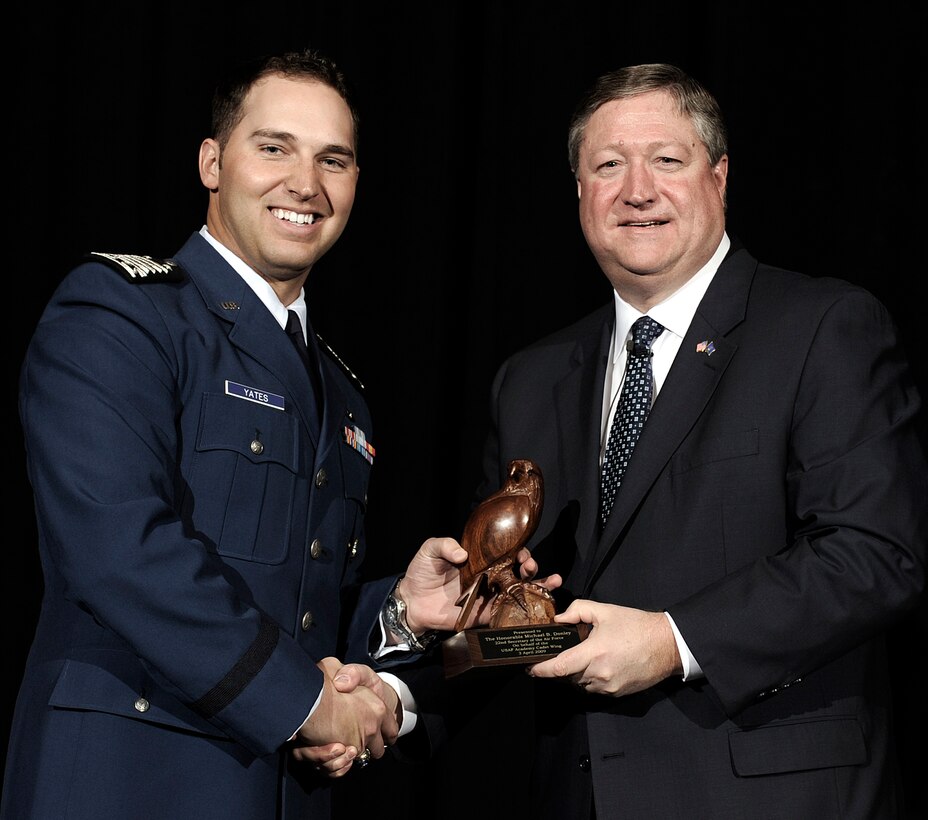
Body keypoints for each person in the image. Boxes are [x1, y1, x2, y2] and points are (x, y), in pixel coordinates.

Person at [0, 48, 551, 820]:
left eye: (334, 159)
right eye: (274, 148)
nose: (306, 183)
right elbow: (118, 548)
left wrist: (398, 613)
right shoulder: (121, 315)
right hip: (128, 781)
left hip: (281, 795)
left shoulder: (342, 392)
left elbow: (301, 606)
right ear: (212, 162)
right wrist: (308, 705)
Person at [467, 63, 926, 818]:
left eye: (668, 161)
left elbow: (879, 551)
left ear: (719, 177)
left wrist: (674, 641)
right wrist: (390, 691)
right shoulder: (529, 379)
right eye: (608, 164)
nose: (637, 189)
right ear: (579, 191)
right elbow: (508, 610)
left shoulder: (822, 328)